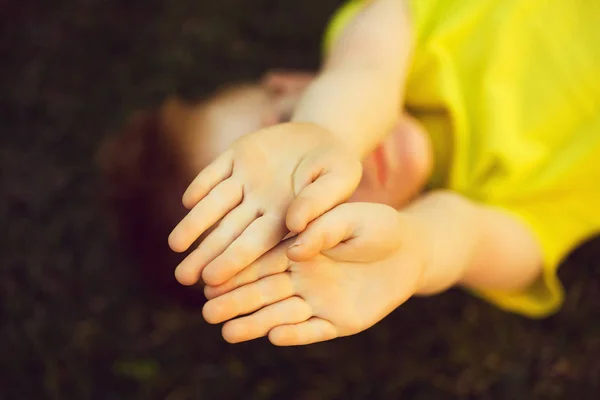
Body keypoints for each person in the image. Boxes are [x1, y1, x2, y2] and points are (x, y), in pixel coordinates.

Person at [103, 0, 600, 346]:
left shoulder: (393, 37)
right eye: (308, 225)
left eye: (286, 132)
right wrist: (414, 253)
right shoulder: (491, 207)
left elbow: (365, 72)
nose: (334, 181)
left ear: (289, 84)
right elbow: (463, 237)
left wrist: (327, 129)